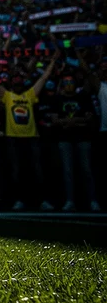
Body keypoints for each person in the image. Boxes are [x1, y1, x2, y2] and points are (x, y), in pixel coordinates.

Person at [0, 51, 59, 211]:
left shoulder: (30, 95)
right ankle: (19, 199)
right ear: (11, 84)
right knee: (16, 171)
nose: (17, 84)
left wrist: (52, 61)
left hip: (32, 137)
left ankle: (42, 200)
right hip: (13, 137)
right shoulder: (7, 96)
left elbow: (43, 78)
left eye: (20, 81)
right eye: (15, 81)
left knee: (37, 170)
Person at [49, 74, 99, 212]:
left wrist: (70, 122)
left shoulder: (83, 98)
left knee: (87, 170)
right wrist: (77, 121)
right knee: (67, 171)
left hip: (83, 138)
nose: (69, 84)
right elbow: (54, 120)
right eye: (66, 82)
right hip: (64, 139)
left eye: (71, 81)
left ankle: (92, 200)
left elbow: (89, 119)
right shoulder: (57, 99)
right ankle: (70, 200)